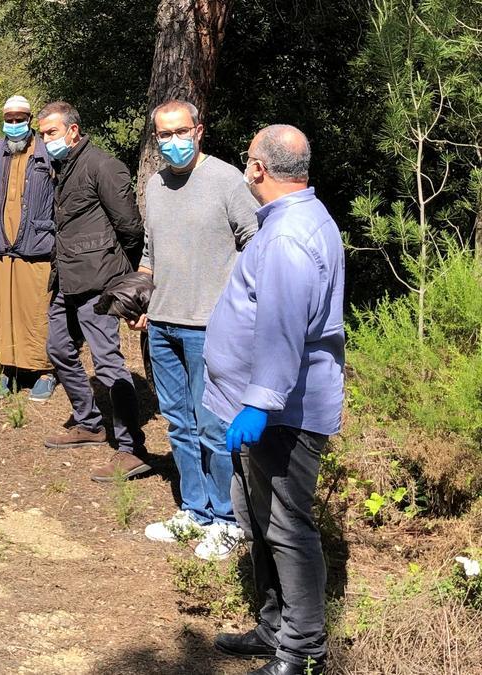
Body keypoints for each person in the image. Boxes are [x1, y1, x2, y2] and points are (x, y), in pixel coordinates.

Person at [205, 125, 344, 675]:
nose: (246, 167)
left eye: (247, 159)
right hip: (260, 409)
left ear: (258, 169)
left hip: (280, 415)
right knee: (259, 518)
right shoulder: (291, 221)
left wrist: (259, 403)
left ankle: (303, 650)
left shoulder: (289, 237)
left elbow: (284, 329)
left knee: (287, 527)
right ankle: (273, 628)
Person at [132, 100, 259, 561]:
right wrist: (139, 294)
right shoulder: (155, 184)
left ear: (199, 130)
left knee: (214, 425)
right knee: (179, 422)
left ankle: (228, 520)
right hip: (162, 325)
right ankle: (195, 511)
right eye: (163, 135)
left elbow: (254, 244)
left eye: (180, 132)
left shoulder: (227, 180)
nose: (172, 142)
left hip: (212, 327)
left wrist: (235, 303)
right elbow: (150, 250)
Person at [37, 101, 147, 482]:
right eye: (42, 134)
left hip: (99, 281)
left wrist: (120, 274)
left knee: (107, 363)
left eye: (50, 132)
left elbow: (130, 228)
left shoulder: (102, 165)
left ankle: (133, 447)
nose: (44, 140)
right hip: (66, 279)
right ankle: (89, 423)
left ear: (73, 130)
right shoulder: (62, 167)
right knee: (58, 349)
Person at [0, 95, 57, 402]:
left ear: (30, 120)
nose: (14, 125)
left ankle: (43, 371)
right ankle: (4, 371)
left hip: (35, 247)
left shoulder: (46, 153)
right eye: (9, 120)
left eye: (20, 120)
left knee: (37, 310)